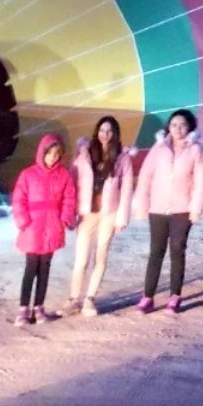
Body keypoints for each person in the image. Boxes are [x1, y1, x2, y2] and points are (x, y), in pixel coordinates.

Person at [133, 109, 203, 315]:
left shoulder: (196, 149)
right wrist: (142, 205)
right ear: (168, 127)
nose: (178, 129)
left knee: (177, 250)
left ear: (190, 127)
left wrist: (196, 208)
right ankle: (147, 297)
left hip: (182, 209)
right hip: (158, 208)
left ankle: (175, 296)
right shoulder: (158, 148)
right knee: (156, 252)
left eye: (183, 125)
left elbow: (202, 181)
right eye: (174, 124)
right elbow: (145, 177)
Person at [64, 116, 135, 317]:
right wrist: (70, 212)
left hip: (109, 214)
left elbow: (127, 189)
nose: (106, 134)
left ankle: (89, 299)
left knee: (100, 257)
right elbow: (72, 182)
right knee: (81, 259)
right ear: (97, 132)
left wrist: (122, 218)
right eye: (103, 130)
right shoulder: (84, 155)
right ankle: (73, 298)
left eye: (110, 131)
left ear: (115, 134)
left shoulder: (123, 158)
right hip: (87, 213)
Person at [11, 134, 76, 326]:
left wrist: (64, 218)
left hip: (52, 227)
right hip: (33, 228)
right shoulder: (28, 174)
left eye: (57, 154)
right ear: (42, 153)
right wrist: (23, 221)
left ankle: (39, 307)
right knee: (31, 268)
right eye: (50, 153)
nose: (53, 158)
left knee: (45, 269)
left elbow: (69, 198)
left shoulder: (63, 175)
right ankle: (24, 308)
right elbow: (18, 199)